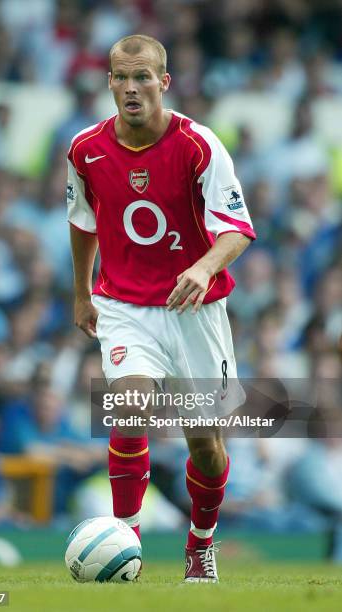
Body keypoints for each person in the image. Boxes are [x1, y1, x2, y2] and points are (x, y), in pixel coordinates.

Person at [67, 34, 256, 583]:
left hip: (195, 307)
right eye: (121, 77)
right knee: (129, 411)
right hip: (125, 304)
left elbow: (238, 228)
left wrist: (203, 266)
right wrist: (82, 292)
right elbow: (82, 221)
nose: (131, 87)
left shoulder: (198, 144)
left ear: (163, 82)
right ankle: (128, 546)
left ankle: (200, 544)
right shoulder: (85, 149)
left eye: (143, 76)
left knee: (207, 447)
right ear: (109, 82)